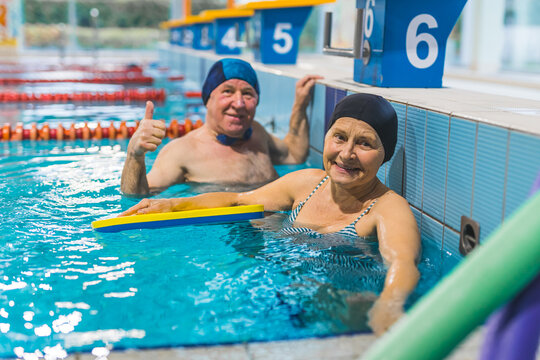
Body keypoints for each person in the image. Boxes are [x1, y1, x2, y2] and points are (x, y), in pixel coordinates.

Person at [120, 93, 421, 335]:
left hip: (336, 306)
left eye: (365, 143)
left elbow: (402, 263)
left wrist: (389, 305)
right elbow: (238, 201)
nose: (346, 153)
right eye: (339, 137)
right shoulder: (307, 183)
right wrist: (172, 205)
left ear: (386, 153)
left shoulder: (387, 207)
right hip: (279, 289)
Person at [121, 58, 322, 195]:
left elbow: (294, 156)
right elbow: (136, 196)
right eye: (228, 91)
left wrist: (300, 106)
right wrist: (134, 156)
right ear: (208, 99)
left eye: (248, 94)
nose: (239, 103)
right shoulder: (182, 151)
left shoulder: (258, 134)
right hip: (224, 245)